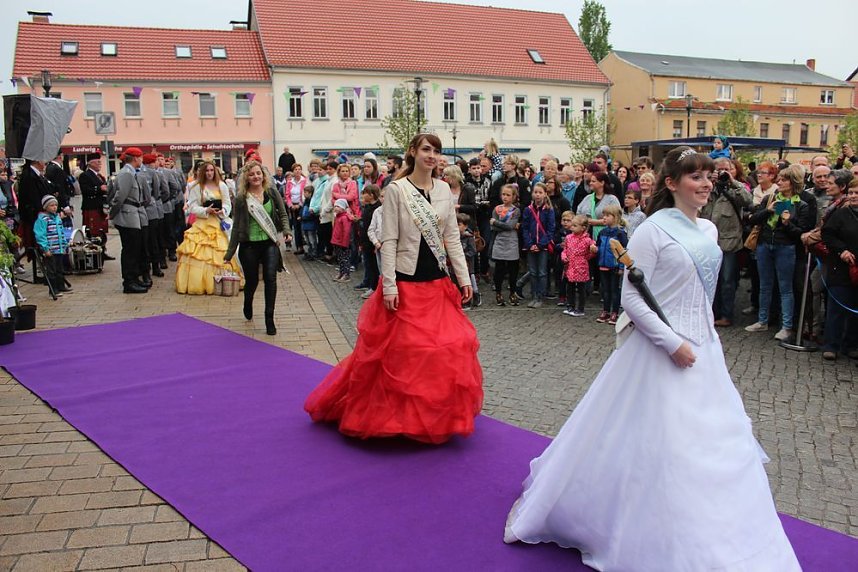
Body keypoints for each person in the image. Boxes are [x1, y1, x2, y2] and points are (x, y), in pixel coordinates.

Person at [503, 146, 801, 572]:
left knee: (710, 442)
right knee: (656, 442)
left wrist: (702, 337)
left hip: (704, 348)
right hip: (664, 350)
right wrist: (670, 342)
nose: (704, 184)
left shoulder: (711, 231)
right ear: (671, 183)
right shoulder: (652, 231)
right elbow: (632, 298)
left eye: (707, 177)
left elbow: (703, 292)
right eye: (695, 177)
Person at [304, 133, 482, 444]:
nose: (432, 155)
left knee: (443, 349)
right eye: (426, 149)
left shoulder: (442, 189)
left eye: (436, 151)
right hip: (406, 281)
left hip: (437, 282)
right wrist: (388, 286)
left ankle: (430, 415)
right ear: (413, 152)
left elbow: (451, 237)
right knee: (404, 354)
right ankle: (397, 419)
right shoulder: (397, 190)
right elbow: (390, 240)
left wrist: (464, 278)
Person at [745, 164, 814, 341]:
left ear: (793, 183)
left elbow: (801, 232)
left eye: (784, 180)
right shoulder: (770, 198)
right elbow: (753, 219)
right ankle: (762, 321)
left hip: (786, 248)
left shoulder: (801, 205)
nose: (779, 182)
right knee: (765, 285)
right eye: (780, 179)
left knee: (785, 287)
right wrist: (768, 210)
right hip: (765, 245)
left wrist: (786, 223)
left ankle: (786, 326)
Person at [224, 161, 292, 336]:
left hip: (269, 243)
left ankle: (269, 318)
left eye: (258, 173)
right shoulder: (241, 199)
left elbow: (283, 213)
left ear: (263, 175)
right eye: (252, 174)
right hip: (249, 245)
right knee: (252, 280)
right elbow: (237, 226)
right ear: (246, 177)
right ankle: (248, 301)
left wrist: (286, 231)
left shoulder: (271, 192)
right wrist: (229, 253)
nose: (256, 177)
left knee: (270, 278)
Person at [175, 160, 242, 295]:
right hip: (202, 223)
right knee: (198, 253)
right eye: (207, 171)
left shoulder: (222, 185)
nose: (209, 173)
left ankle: (224, 281)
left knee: (224, 250)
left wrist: (222, 211)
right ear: (202, 172)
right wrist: (206, 210)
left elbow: (228, 204)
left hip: (219, 221)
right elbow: (192, 207)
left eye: (212, 170)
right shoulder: (196, 187)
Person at [700, 158, 752, 328]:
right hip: (708, 243)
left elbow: (748, 201)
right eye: (719, 169)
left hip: (729, 243)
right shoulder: (708, 188)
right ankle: (711, 313)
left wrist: (732, 181)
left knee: (728, 281)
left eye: (726, 169)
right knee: (709, 280)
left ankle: (726, 315)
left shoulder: (736, 188)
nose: (722, 172)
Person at [820, 179, 858, 361]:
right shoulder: (840, 215)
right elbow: (827, 234)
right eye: (851, 193)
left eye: (857, 193)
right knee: (837, 308)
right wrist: (841, 250)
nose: (853, 196)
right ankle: (831, 345)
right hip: (841, 268)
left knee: (855, 310)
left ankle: (850, 345)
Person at [109, 148, 147, 294]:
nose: (141, 160)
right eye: (141, 157)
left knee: (134, 249)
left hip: (132, 215)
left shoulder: (130, 173)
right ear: (136, 158)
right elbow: (120, 197)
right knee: (130, 250)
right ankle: (129, 282)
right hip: (127, 216)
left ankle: (134, 279)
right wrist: (112, 214)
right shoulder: (126, 173)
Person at [521, 182, 555, 308]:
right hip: (530, 245)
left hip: (543, 246)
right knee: (533, 271)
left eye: (540, 192)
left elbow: (551, 230)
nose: (537, 195)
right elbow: (524, 228)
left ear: (545, 194)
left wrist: (540, 245)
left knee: (542, 272)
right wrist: (530, 244)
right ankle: (534, 295)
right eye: (535, 192)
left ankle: (541, 296)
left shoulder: (549, 210)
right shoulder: (528, 210)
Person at [593, 204, 627, 325]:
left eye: (607, 215)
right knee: (605, 290)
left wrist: (622, 267)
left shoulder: (620, 234)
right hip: (603, 265)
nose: (604, 218)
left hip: (615, 266)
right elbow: (598, 246)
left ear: (615, 217)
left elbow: (624, 251)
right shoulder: (602, 232)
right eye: (604, 215)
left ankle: (615, 312)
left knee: (614, 290)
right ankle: (605, 310)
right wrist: (595, 249)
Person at [78, 154, 114, 260]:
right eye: (97, 162)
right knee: (93, 231)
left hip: (100, 207)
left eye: (100, 162)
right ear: (90, 163)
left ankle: (102, 251)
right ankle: (94, 252)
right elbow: (85, 190)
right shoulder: (85, 175)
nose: (100, 164)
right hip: (91, 207)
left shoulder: (99, 176)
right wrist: (99, 188)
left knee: (101, 230)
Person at [33, 195, 70, 296]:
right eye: (51, 205)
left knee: (59, 268)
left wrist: (65, 244)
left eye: (55, 205)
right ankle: (53, 290)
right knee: (51, 270)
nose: (54, 207)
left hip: (59, 248)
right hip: (50, 249)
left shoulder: (57, 218)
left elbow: (61, 232)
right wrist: (45, 248)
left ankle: (61, 286)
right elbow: (40, 235)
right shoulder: (42, 219)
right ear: (45, 207)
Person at [490, 184, 520, 307]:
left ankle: (513, 292)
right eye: (503, 194)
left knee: (513, 270)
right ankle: (498, 293)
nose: (505, 197)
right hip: (499, 241)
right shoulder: (497, 209)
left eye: (508, 195)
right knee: (499, 270)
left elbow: (510, 226)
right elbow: (492, 227)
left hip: (511, 241)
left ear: (513, 197)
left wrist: (496, 222)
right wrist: (498, 225)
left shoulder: (516, 210)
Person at [561, 213, 597, 316]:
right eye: (572, 225)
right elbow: (565, 250)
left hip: (581, 267)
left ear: (583, 228)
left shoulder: (588, 240)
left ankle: (580, 308)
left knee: (581, 289)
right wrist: (564, 257)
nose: (572, 227)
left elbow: (592, 252)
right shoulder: (568, 237)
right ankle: (570, 306)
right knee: (570, 287)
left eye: (575, 225)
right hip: (570, 266)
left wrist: (593, 251)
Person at [356, 184, 381, 297]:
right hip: (366, 241)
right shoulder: (367, 207)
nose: (363, 196)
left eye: (365, 193)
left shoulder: (377, 208)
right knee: (369, 265)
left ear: (371, 195)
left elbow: (375, 227)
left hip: (373, 242)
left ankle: (374, 287)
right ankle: (370, 284)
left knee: (374, 266)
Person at [457, 213, 478, 310]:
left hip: (468, 265)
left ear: (465, 226)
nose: (457, 227)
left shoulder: (469, 237)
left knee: (470, 282)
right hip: (456, 265)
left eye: (459, 224)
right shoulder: (455, 237)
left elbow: (473, 251)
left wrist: (463, 257)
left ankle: (471, 299)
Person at [285, 164, 307, 255]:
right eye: (295, 169)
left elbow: (306, 194)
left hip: (302, 206)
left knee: (304, 227)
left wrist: (300, 204)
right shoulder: (290, 182)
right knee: (296, 227)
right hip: (293, 207)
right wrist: (290, 205)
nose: (297, 171)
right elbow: (287, 195)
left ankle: (308, 246)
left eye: (299, 169)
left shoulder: (305, 181)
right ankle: (299, 247)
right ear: (293, 171)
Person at [331, 198, 353, 282]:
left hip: (343, 243)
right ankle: (341, 272)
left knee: (345, 259)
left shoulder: (344, 218)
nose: (336, 208)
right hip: (337, 242)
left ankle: (346, 274)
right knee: (340, 259)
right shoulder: (337, 217)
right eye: (335, 206)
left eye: (338, 206)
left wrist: (344, 243)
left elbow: (346, 231)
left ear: (343, 208)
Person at [300, 185, 319, 260]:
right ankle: (309, 252)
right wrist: (300, 216)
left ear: (311, 193)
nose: (304, 194)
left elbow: (312, 214)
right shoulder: (305, 201)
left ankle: (314, 253)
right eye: (304, 192)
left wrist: (304, 217)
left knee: (312, 239)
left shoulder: (312, 202)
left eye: (306, 192)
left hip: (310, 223)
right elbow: (302, 210)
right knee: (307, 239)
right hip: (305, 223)